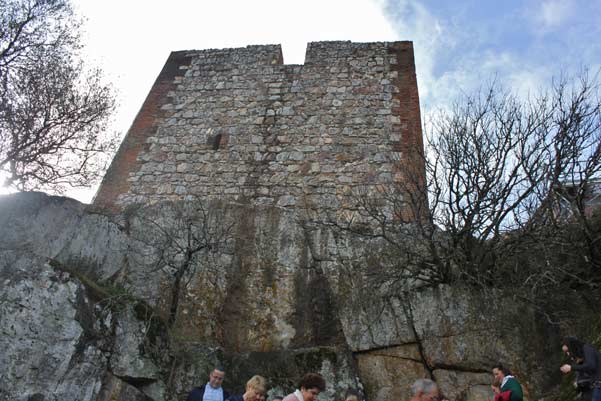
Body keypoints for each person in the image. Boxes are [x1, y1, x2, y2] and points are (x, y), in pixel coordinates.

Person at [560, 336, 601, 401]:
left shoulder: (587, 348)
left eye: (568, 351)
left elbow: (591, 365)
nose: (568, 354)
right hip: (592, 388)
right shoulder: (581, 356)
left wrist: (572, 367)